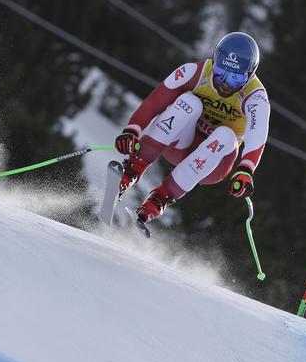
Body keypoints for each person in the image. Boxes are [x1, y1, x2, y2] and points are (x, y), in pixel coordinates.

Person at [114, 31, 270, 224]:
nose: (224, 84)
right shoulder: (194, 72)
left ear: (250, 75)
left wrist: (246, 169)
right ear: (214, 62)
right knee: (189, 102)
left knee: (226, 135)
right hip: (179, 144)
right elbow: (156, 101)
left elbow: (258, 136)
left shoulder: (256, 98)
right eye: (220, 73)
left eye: (235, 79)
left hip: (213, 163)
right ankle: (132, 170)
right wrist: (132, 130)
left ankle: (160, 197)